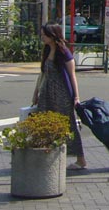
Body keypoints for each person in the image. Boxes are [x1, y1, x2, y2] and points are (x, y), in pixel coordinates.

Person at [32, 23, 86, 170]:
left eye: (44, 34)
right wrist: (36, 92)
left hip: (62, 94)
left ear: (52, 35)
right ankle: (46, 155)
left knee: (68, 125)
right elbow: (43, 73)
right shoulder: (47, 50)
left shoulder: (64, 52)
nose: (42, 37)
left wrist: (76, 97)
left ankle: (80, 159)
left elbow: (72, 75)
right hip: (47, 93)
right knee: (43, 122)